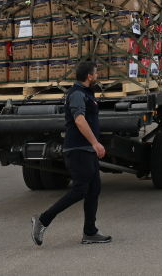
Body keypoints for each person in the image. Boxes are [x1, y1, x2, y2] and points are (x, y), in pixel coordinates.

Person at [31, 61, 111, 246]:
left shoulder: (85, 93)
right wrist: (95, 143)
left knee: (93, 189)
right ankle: (43, 220)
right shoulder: (76, 94)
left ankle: (90, 232)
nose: (97, 75)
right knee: (79, 190)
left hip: (86, 150)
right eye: (96, 73)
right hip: (78, 149)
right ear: (89, 76)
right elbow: (80, 121)